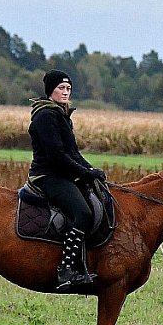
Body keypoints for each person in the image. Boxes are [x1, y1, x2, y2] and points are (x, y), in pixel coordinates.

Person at [28, 69, 106, 292]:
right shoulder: (45, 116)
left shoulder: (60, 114)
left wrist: (91, 170)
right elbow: (57, 156)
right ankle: (66, 270)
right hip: (48, 176)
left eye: (68, 88)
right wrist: (84, 173)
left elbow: (72, 152)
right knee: (82, 213)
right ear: (50, 90)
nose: (65, 92)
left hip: (62, 174)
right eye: (61, 88)